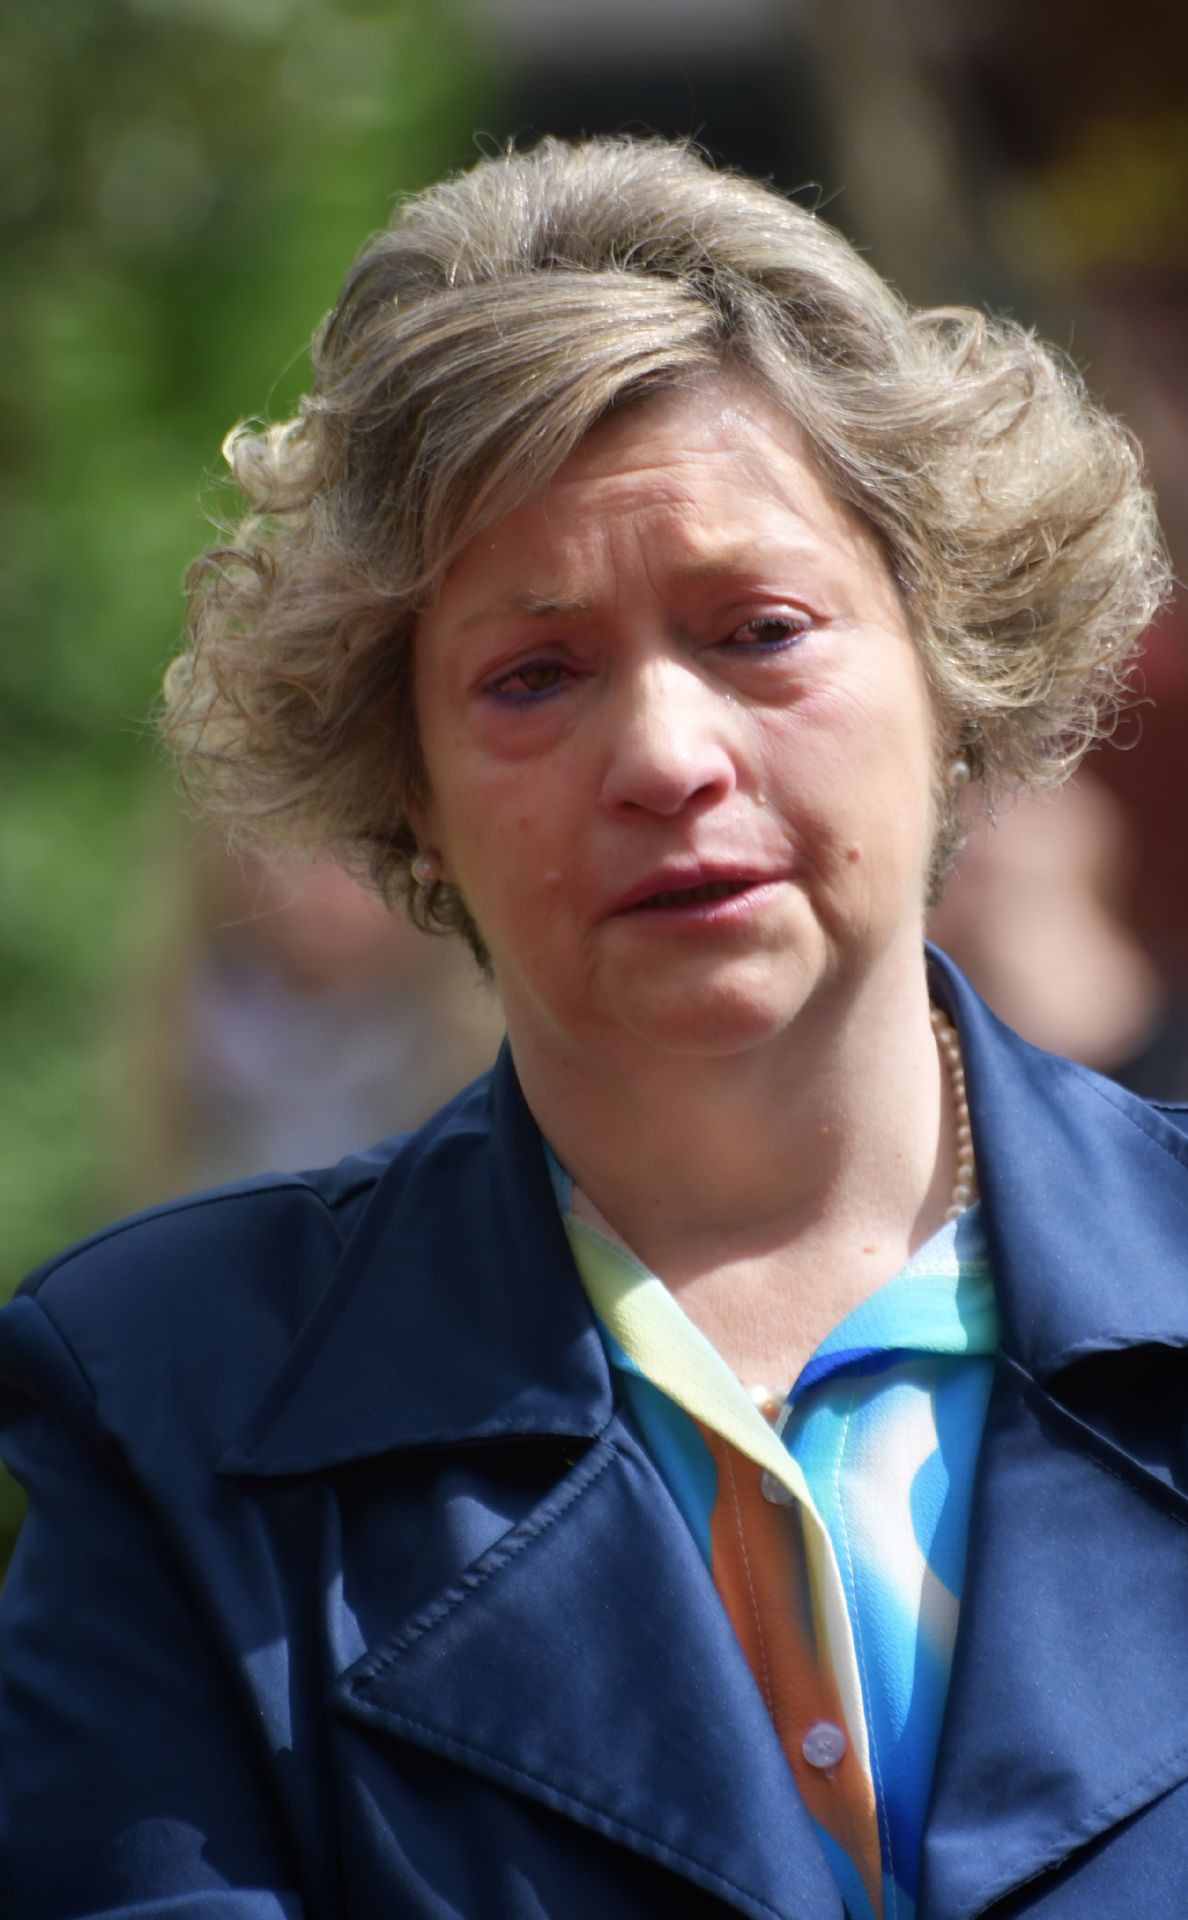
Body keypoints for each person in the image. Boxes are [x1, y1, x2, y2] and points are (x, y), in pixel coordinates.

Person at [0, 136, 1179, 1920]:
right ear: (407, 789)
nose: (665, 757)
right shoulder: (171, 1414)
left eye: (759, 629)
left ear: (955, 668)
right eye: (533, 675)